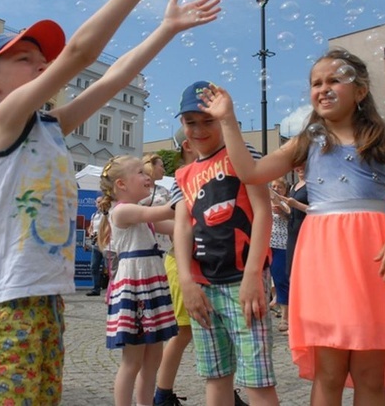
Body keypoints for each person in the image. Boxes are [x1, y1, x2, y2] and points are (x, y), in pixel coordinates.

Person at [0, 0, 221, 405]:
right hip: (7, 300)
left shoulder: (47, 126)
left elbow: (115, 75)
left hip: (44, 296)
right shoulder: (2, 119)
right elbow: (80, 53)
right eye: (24, 58)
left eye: (41, 58)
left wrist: (166, 29)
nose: (42, 64)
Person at [200, 49, 385, 405]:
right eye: (316, 83)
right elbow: (251, 173)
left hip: (375, 259)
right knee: (329, 371)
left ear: (360, 90)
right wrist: (227, 120)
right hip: (324, 261)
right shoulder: (307, 141)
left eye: (334, 80)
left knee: (370, 374)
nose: (323, 88)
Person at [172, 81, 278, 406]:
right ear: (182, 126)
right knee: (216, 378)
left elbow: (263, 211)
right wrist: (187, 283)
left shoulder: (243, 156)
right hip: (204, 287)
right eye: (191, 122)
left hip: (243, 281)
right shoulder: (184, 175)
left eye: (208, 120)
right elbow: (182, 228)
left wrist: (253, 275)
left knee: (257, 381)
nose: (199, 129)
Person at [98, 155, 177, 406]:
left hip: (151, 286)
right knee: (132, 362)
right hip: (136, 289)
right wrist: (187, 193)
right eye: (141, 173)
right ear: (121, 184)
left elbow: (174, 225)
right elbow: (165, 211)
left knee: (153, 360)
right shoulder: (122, 211)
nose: (148, 177)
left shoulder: (141, 214)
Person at [154, 127, 197, 406]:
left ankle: (227, 390)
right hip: (184, 262)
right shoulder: (183, 179)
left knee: (215, 332)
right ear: (187, 145)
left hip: (209, 264)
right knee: (183, 332)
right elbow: (169, 225)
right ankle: (162, 393)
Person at [269, 177, 291, 333]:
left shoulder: (286, 203)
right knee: (271, 279)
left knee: (281, 279)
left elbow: (293, 219)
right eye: (274, 186)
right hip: (267, 244)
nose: (276, 189)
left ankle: (285, 317)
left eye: (280, 187)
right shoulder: (265, 202)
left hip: (282, 244)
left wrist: (283, 212)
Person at [141, 153, 172, 253]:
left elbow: (173, 217)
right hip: (142, 242)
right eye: (161, 166)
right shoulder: (136, 190)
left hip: (163, 244)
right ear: (151, 166)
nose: (164, 170)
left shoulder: (164, 191)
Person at [283, 165, 308, 276]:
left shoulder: (312, 186)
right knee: (291, 269)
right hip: (292, 232)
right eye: (297, 166)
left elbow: (317, 210)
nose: (300, 168)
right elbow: (291, 211)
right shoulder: (294, 186)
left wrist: (296, 204)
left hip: (305, 232)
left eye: (303, 165)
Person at [86, 196, 106, 296]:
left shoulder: (108, 214)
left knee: (109, 268)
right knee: (94, 267)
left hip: (106, 245)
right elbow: (90, 227)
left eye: (101, 202)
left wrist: (101, 235)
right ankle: (96, 289)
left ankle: (111, 290)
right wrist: (91, 233)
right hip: (96, 245)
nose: (99, 204)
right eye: (97, 202)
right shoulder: (94, 215)